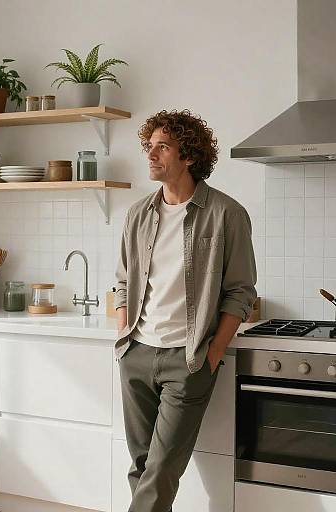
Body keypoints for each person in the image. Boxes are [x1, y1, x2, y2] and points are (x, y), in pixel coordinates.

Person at [114, 109, 257, 512]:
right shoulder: (138, 214)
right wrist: (124, 336)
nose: (151, 155)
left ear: (188, 156)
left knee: (160, 470)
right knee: (141, 466)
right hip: (137, 353)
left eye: (162, 146)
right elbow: (123, 281)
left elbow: (241, 293)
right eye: (149, 146)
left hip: (188, 358)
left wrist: (212, 355)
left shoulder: (227, 214)